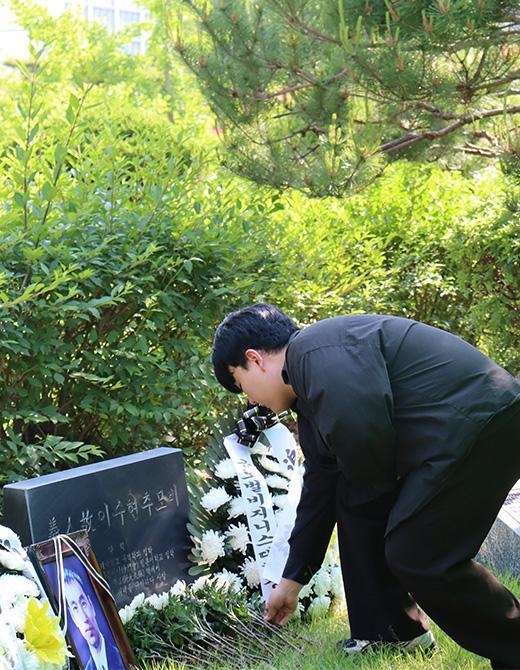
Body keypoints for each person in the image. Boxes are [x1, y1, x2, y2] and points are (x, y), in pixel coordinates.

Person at [211, 303, 520, 669]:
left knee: (416, 551)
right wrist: (292, 580)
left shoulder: (317, 352)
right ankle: (392, 631)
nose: (248, 399)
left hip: (478, 422)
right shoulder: (308, 387)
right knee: (355, 499)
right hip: (462, 431)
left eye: (239, 382)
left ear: (255, 359)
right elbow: (320, 491)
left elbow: (364, 437)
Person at [64, 568, 125, 670]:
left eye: (83, 604)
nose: (84, 618)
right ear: (73, 618)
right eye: (75, 608)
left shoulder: (122, 656)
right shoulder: (87, 668)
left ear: (91, 605)